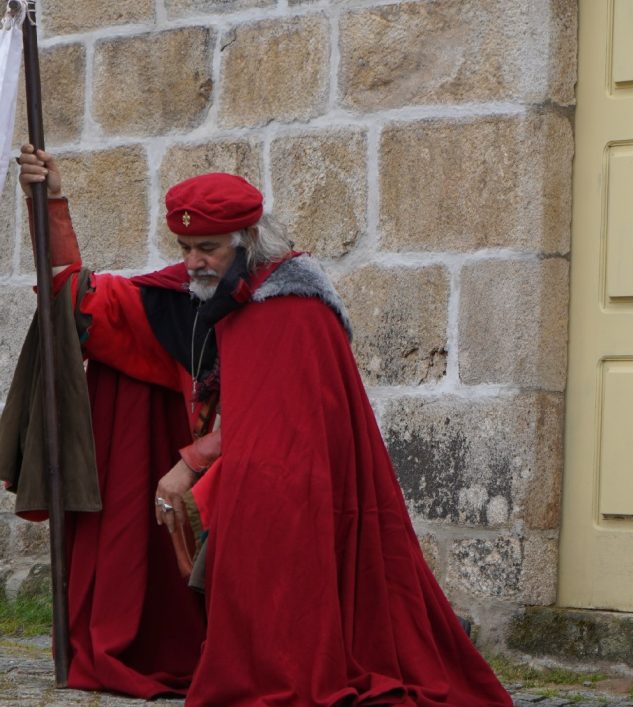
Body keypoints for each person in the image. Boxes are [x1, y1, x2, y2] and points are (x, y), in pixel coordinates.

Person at [5, 145, 513, 705]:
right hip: (231, 470)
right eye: (185, 247)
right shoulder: (190, 295)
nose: (194, 261)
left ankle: (271, 651)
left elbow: (282, 429)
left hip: (285, 482)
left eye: (208, 248)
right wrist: (49, 200)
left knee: (264, 494)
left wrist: (191, 464)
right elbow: (79, 303)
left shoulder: (292, 305)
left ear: (246, 241)